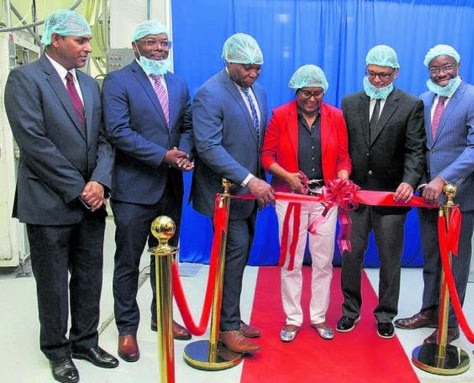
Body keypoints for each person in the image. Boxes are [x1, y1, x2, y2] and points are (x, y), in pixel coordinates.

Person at [4, 9, 118, 383]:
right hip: (49, 202)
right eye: (80, 41)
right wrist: (78, 188)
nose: (88, 47)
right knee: (52, 283)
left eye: (88, 40)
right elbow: (34, 144)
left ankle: (85, 340)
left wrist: (99, 182)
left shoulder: (88, 85)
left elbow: (104, 139)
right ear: (55, 40)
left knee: (89, 277)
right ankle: (57, 350)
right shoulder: (24, 80)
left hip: (92, 202)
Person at [102, 19, 193, 363]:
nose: (159, 48)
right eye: (152, 42)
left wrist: (182, 153)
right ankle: (127, 328)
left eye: (164, 43)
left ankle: (162, 316)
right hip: (133, 189)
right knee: (128, 261)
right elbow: (118, 131)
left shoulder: (178, 83)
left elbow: (187, 126)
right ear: (136, 45)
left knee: (165, 259)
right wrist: (162, 156)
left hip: (170, 188)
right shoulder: (118, 81)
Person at [395, 44, 474, 344]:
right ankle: (429, 310)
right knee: (431, 260)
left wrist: (442, 179)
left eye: (447, 67)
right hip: (429, 197)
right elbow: (422, 148)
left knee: (454, 261)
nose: (442, 73)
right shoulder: (425, 100)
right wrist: (421, 182)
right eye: (435, 69)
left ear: (458, 66)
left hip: (459, 197)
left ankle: (450, 324)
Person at [191, 33, 275, 354]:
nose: (253, 73)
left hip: (249, 196)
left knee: (239, 257)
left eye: (258, 68)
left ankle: (233, 317)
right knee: (232, 256)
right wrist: (249, 179)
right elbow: (208, 147)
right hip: (226, 195)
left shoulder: (260, 92)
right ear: (229, 61)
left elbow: (257, 141)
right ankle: (226, 328)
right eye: (247, 67)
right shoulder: (209, 94)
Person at [337, 45, 425, 339]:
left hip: (391, 198)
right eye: (372, 74)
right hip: (356, 198)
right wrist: (343, 178)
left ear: (395, 73)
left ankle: (386, 313)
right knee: (351, 257)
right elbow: (343, 148)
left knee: (390, 259)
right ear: (366, 70)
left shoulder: (411, 105)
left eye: (384, 75)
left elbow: (415, 150)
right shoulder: (350, 103)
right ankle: (350, 310)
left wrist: (410, 181)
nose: (377, 80)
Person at [261, 65, 352, 342]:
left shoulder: (336, 117)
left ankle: (318, 316)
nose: (312, 99)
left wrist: (342, 179)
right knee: (291, 260)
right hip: (290, 199)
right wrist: (287, 176)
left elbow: (344, 158)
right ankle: (292, 318)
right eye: (305, 93)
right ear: (295, 91)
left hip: (325, 199)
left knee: (323, 262)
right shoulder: (280, 115)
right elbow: (267, 155)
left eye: (317, 93)